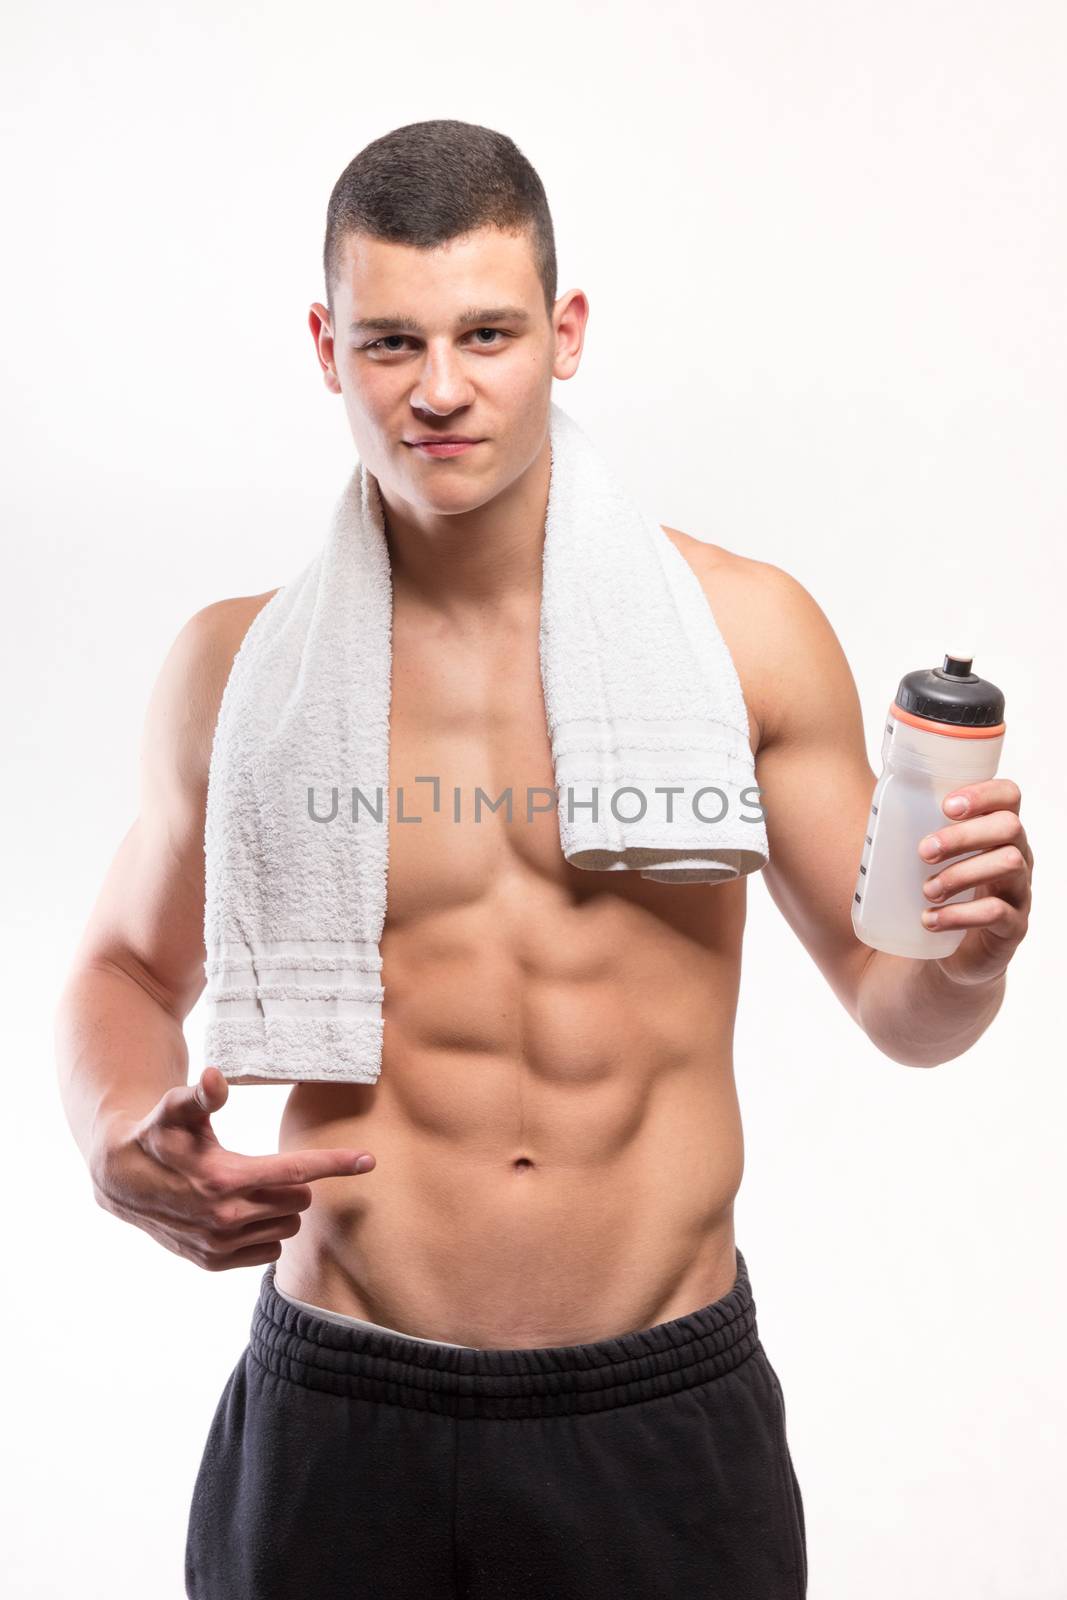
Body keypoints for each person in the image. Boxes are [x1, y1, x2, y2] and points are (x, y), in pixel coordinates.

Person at [54, 119, 1033, 1600]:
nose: (439, 389)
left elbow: (902, 1010)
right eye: (391, 341)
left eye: (487, 334)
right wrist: (117, 1127)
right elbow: (124, 963)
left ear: (564, 334)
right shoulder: (237, 669)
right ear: (327, 346)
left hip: (660, 1413)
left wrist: (972, 950)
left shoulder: (744, 638)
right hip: (342, 1404)